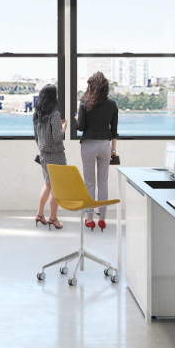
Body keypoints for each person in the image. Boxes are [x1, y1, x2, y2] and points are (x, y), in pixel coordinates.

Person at [74, 72, 119, 230]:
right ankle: (103, 219)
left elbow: (80, 128)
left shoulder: (85, 103)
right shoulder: (112, 104)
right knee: (103, 182)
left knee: (89, 183)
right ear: (105, 87)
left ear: (91, 86)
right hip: (105, 146)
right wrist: (113, 150)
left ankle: (90, 219)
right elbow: (114, 132)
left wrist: (76, 120)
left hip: (88, 145)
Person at [33, 82, 66, 229]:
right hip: (56, 154)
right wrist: (63, 127)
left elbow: (36, 137)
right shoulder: (55, 114)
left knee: (47, 185)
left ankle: (40, 215)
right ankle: (53, 218)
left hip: (44, 154)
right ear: (54, 97)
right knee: (57, 188)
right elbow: (58, 136)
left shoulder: (37, 114)